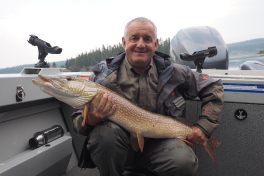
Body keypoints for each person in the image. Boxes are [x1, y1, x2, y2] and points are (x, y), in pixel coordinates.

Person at [71, 17, 224, 176]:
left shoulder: (176, 72)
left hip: (162, 146)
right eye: (134, 38)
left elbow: (214, 87)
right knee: (105, 135)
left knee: (183, 161)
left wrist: (204, 126)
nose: (141, 44)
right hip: (121, 148)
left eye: (147, 39)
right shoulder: (102, 77)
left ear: (155, 44)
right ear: (124, 42)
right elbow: (77, 122)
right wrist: (90, 120)